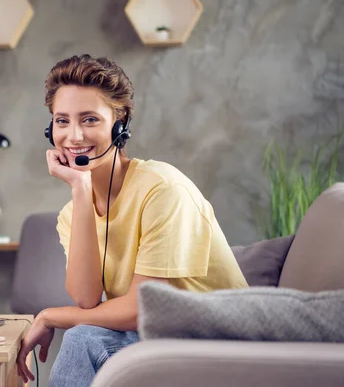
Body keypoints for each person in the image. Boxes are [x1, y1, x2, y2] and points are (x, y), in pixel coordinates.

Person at [15, 54, 249, 386]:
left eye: (90, 119)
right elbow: (86, 298)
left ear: (119, 123)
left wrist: (51, 316)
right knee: (85, 337)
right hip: (160, 337)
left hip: (217, 340)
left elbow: (144, 309)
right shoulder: (72, 214)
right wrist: (81, 189)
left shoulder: (162, 189)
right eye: (62, 120)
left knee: (83, 339)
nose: (74, 135)